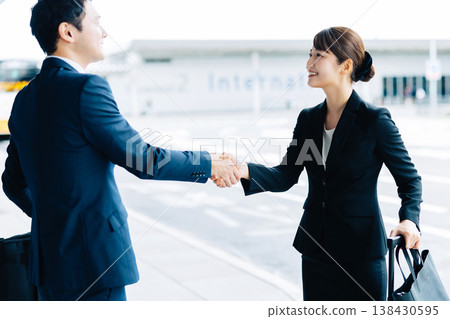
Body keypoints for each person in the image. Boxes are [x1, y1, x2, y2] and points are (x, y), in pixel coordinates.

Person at [1, 0, 239, 301]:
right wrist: (209, 165)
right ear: (68, 32)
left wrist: (54, 221)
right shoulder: (85, 88)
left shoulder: (24, 99)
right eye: (97, 22)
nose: (104, 32)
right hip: (95, 264)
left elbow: (12, 183)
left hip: (48, 266)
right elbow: (142, 159)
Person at [215, 27, 422, 301]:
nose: (309, 64)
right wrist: (243, 169)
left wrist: (409, 220)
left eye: (319, 55)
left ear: (345, 65)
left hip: (361, 255)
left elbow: (410, 181)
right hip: (316, 251)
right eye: (309, 54)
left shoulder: (374, 121)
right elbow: (286, 174)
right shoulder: (308, 120)